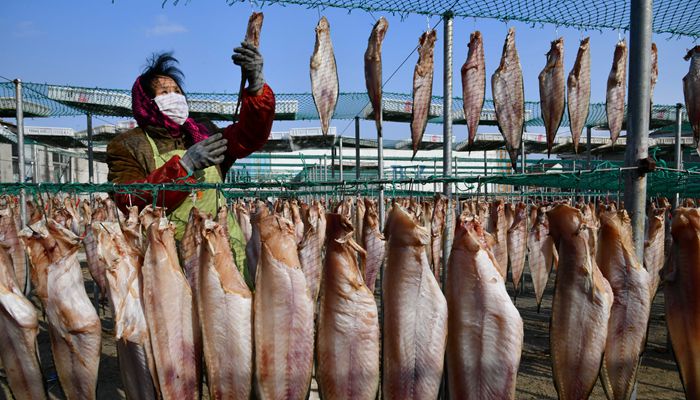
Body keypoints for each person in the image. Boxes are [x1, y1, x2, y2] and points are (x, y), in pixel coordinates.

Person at [107, 43, 274, 284]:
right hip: (173, 258)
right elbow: (128, 199)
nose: (173, 97)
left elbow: (249, 136)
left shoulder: (203, 132)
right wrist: (183, 166)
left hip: (225, 247)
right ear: (146, 102)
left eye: (177, 91)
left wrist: (257, 88)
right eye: (164, 93)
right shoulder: (128, 145)